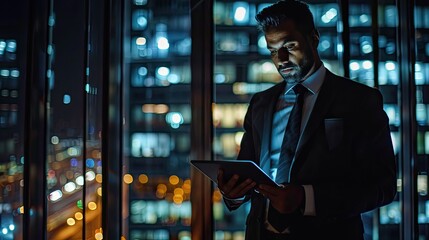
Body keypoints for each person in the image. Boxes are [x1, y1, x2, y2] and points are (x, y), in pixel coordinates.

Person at [216, 0, 397, 239]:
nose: (281, 58)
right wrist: (234, 192)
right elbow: (250, 172)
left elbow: (382, 187)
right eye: (272, 50)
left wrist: (306, 198)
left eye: (289, 46)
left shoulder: (360, 100)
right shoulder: (261, 103)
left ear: (314, 38)